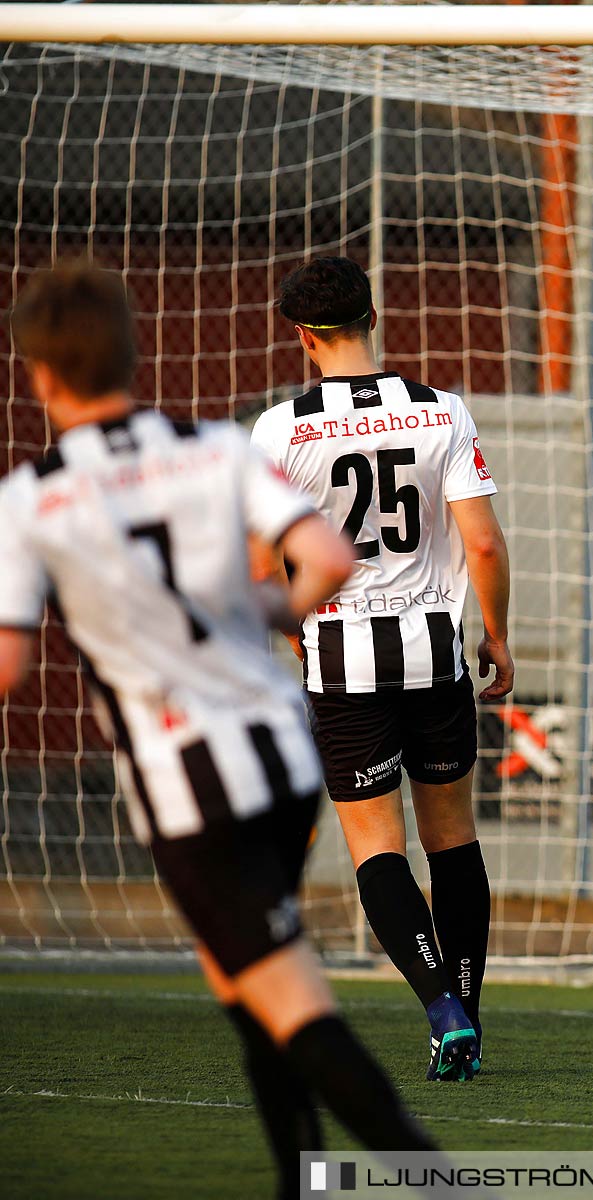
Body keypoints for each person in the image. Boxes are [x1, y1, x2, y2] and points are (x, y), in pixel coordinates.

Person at [0, 263, 442, 1197]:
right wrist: (268, 612)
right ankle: (301, 1182)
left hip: (189, 782)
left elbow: (10, 666)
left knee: (284, 996)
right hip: (283, 753)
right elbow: (326, 558)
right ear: (132, 352)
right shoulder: (210, 446)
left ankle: (430, 1180)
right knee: (246, 982)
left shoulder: (34, 497)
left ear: (38, 373)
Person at [251, 256, 513, 1083]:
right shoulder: (439, 411)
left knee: (377, 849)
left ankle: (439, 1011)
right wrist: (496, 637)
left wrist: (297, 640)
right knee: (454, 838)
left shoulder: (277, 430)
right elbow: (483, 542)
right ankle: (467, 1011)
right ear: (374, 315)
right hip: (436, 652)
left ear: (302, 336)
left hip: (342, 661)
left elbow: (260, 566)